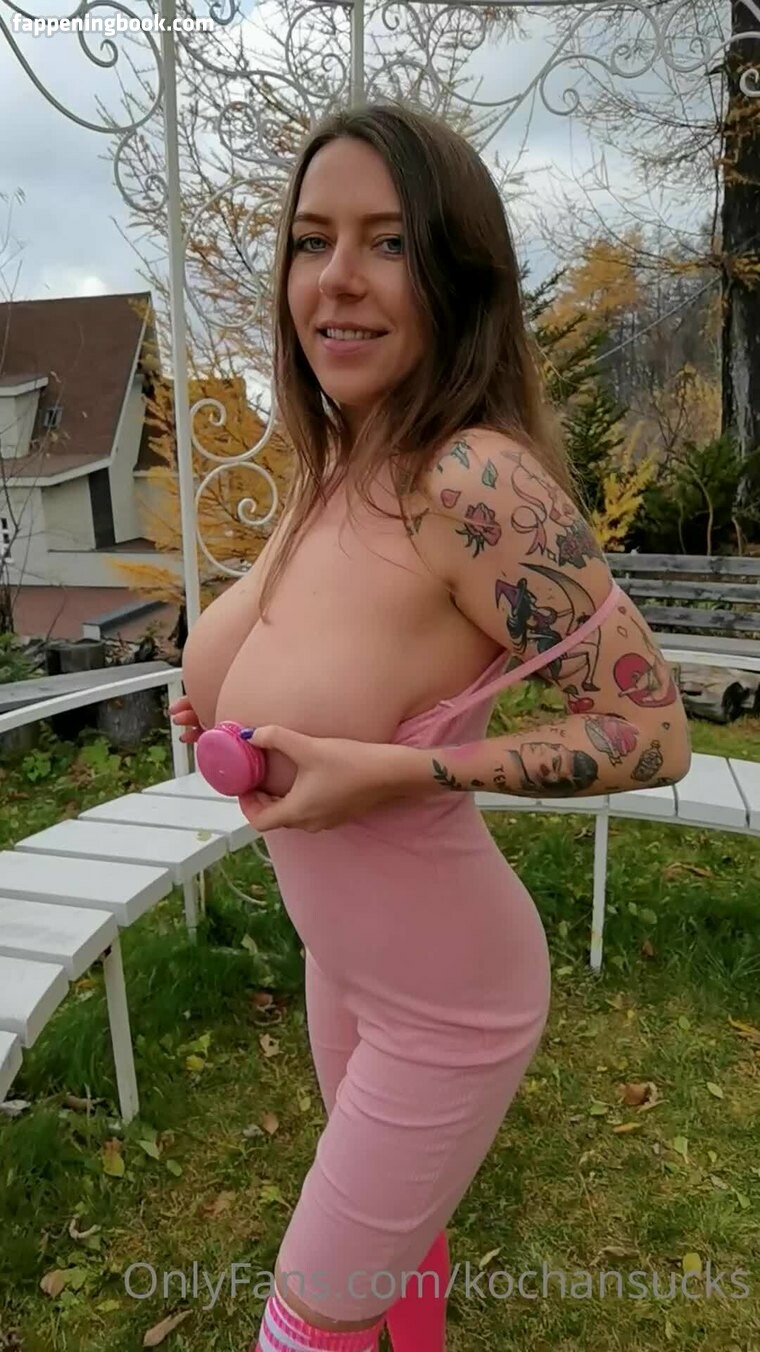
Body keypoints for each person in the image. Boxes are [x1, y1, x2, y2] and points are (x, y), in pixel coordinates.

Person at [169, 101, 691, 1352]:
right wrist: (225, 702)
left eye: (388, 241)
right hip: (347, 962)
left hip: (449, 1000)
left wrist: (398, 767)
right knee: (394, 1252)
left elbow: (651, 728)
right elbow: (342, 654)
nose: (336, 278)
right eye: (311, 239)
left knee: (307, 1322)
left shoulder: (476, 480)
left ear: (457, 273)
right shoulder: (335, 462)